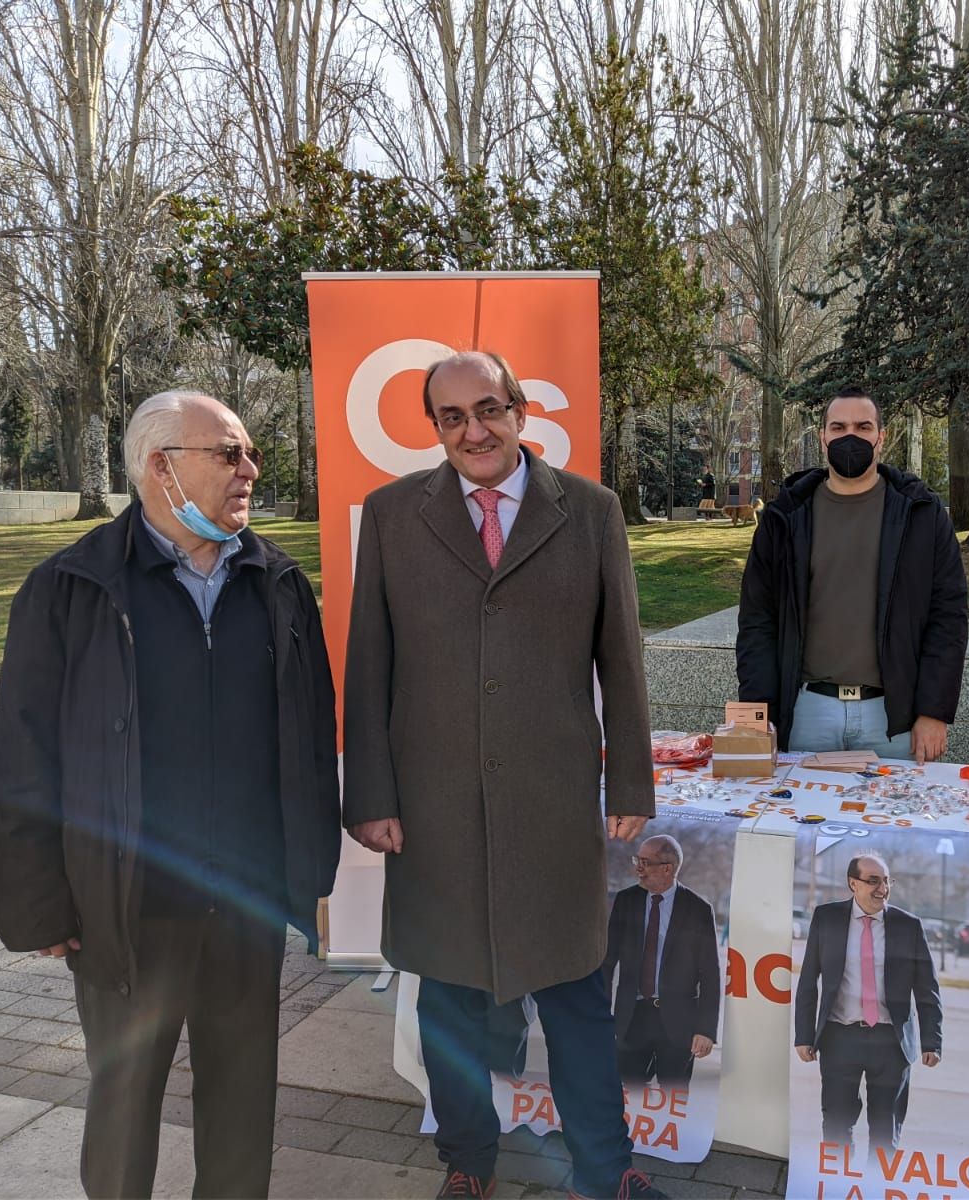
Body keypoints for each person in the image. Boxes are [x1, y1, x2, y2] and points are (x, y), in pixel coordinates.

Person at [0, 391, 342, 1198]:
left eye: (250, 453)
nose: (250, 469)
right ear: (160, 467)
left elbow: (311, 740)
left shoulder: (277, 582)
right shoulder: (69, 588)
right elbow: (26, 759)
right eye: (229, 453)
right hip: (128, 907)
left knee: (244, 1101)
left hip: (246, 902)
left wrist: (310, 872)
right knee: (125, 1100)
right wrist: (39, 902)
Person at [342, 350, 665, 1200]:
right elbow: (369, 665)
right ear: (436, 429)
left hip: (550, 802)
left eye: (488, 409)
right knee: (447, 1000)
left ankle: (607, 1167)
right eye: (452, 417)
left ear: (520, 411)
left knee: (573, 997)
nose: (473, 431)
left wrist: (631, 779)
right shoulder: (389, 515)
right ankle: (467, 1164)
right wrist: (369, 795)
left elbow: (621, 658)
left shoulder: (590, 512)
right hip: (433, 803)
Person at [736, 386, 968, 763]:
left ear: (881, 437)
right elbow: (757, 620)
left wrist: (934, 711)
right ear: (823, 436)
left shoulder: (922, 516)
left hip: (896, 720)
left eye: (863, 427)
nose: (850, 437)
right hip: (807, 711)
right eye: (839, 427)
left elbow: (948, 618)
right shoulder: (785, 518)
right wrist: (758, 713)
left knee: (896, 823)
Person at [793, 854, 942, 1154]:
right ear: (852, 883)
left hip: (892, 1042)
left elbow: (927, 988)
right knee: (836, 1123)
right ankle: (838, 1184)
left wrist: (932, 1041)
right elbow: (809, 979)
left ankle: (877, 1189)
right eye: (873, 881)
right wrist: (804, 1035)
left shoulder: (908, 926)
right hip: (839, 1038)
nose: (883, 888)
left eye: (887, 880)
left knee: (886, 1131)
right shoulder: (827, 918)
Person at [603, 834, 721, 1090]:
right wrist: (599, 1015)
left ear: (667, 868)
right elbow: (607, 962)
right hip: (631, 1019)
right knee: (627, 1099)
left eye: (645, 862)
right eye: (637, 860)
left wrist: (706, 1030)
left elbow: (710, 974)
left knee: (674, 1101)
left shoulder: (698, 909)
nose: (638, 868)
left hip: (679, 1024)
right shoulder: (626, 901)